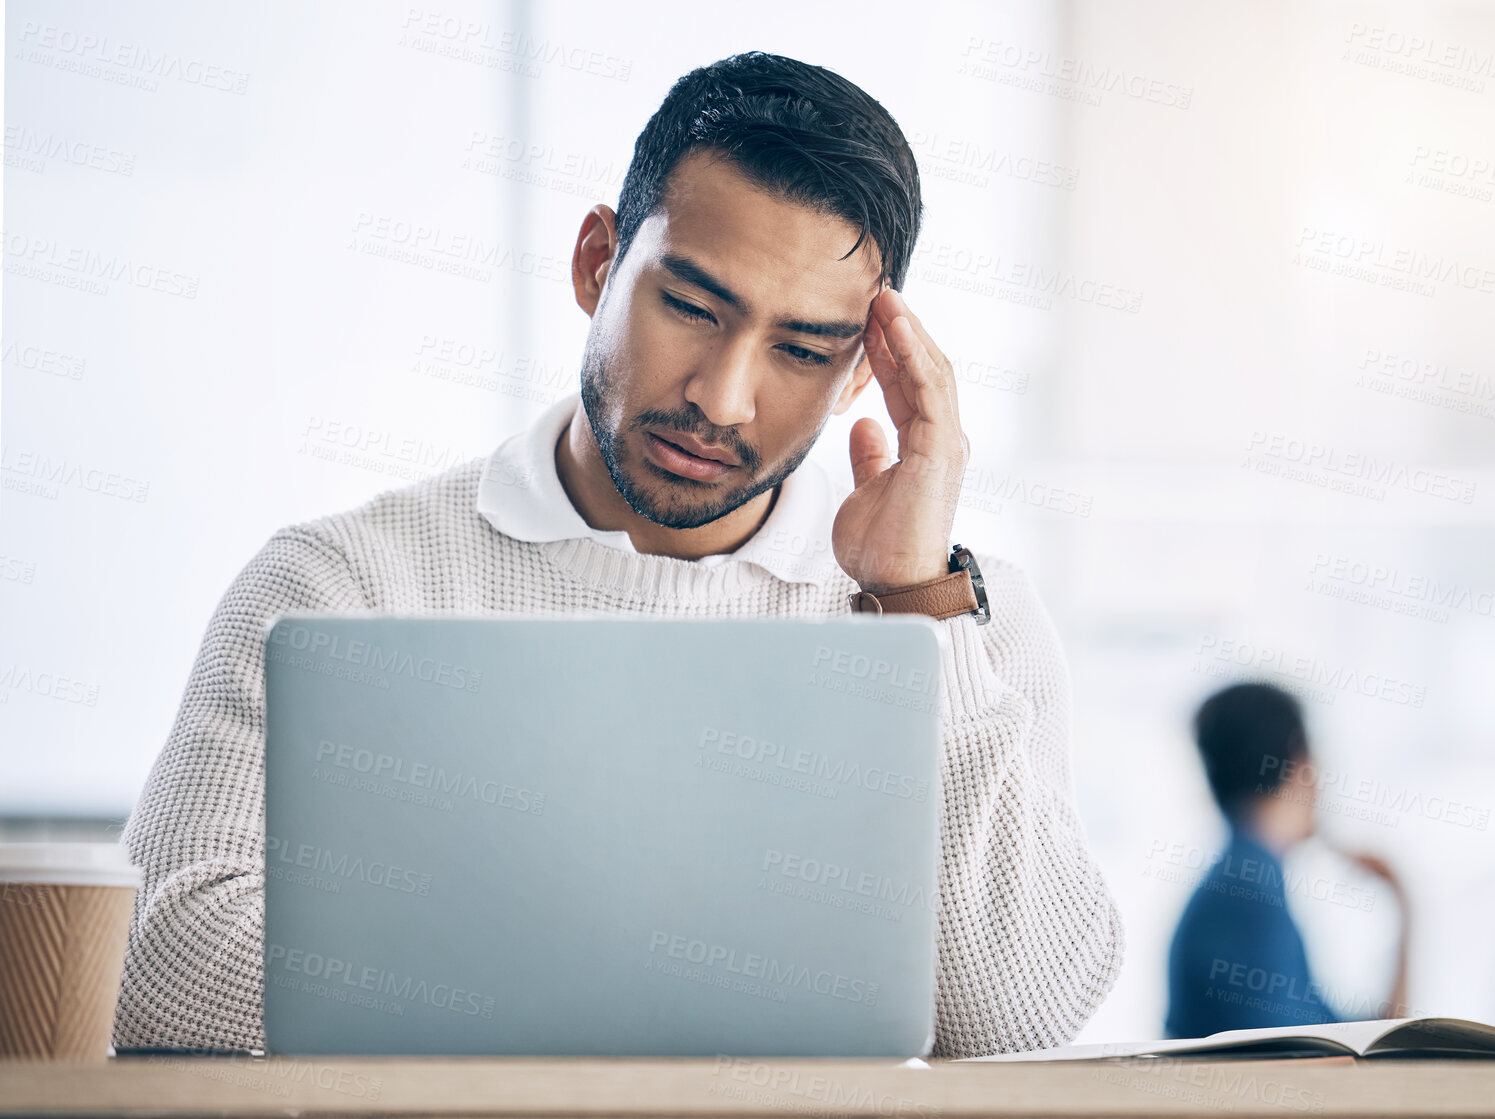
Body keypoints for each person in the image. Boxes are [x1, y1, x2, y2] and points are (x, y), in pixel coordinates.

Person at [113, 51, 1123, 1059]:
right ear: (597, 262)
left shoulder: (957, 619)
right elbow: (155, 963)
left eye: (803, 350)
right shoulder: (342, 585)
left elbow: (1013, 1015)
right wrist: (709, 977)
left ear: (864, 371)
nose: (721, 399)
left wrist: (913, 605)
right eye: (690, 306)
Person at [1165, 681, 1409, 1038]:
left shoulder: (1246, 877)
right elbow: (1338, 1060)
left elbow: (1355, 1040)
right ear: (1299, 761)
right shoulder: (1248, 892)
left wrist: (1403, 907)